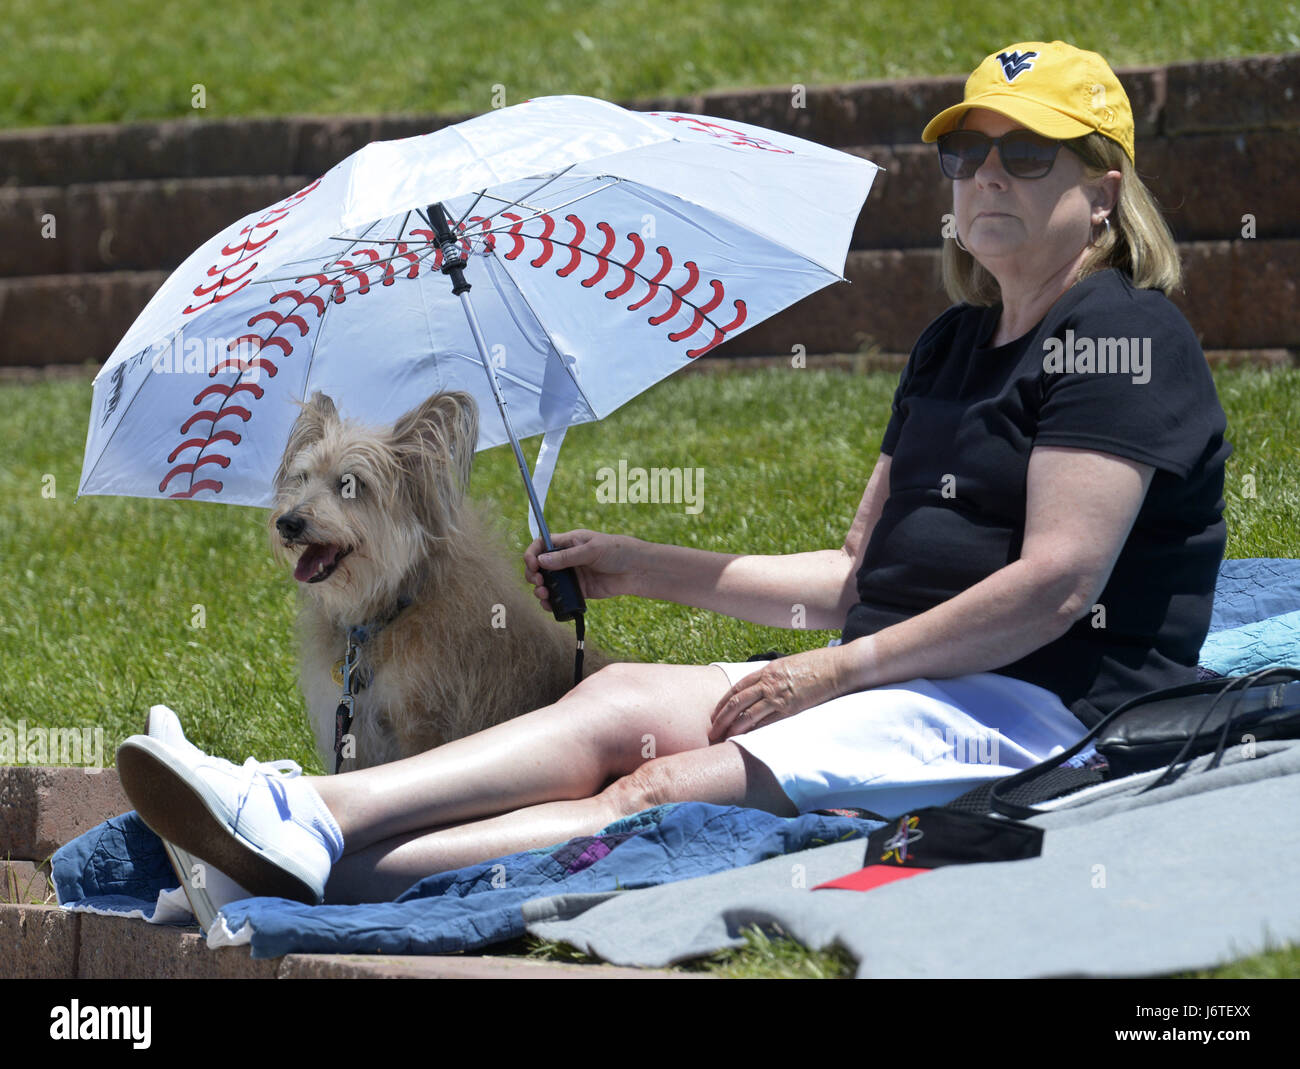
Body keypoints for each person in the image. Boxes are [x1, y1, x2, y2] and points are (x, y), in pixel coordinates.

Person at [115, 40, 1230, 906]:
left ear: (1103, 188)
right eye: (963, 152)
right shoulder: (952, 344)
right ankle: (304, 813)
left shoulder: (1120, 339)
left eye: (1024, 153)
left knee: (655, 784)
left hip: (1035, 708)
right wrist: (638, 566)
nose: (985, 174)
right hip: (899, 677)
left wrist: (833, 676)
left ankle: (329, 870)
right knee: (611, 701)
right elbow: (851, 577)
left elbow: (1055, 587)